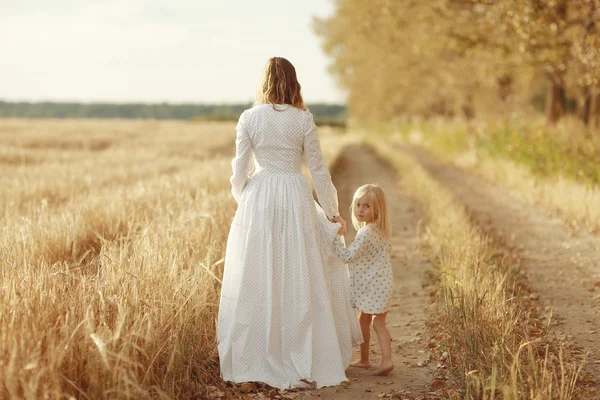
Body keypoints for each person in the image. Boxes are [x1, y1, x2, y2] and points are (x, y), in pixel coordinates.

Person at [217, 57, 361, 390]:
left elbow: (239, 172)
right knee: (298, 272)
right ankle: (302, 351)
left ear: (263, 82)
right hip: (295, 194)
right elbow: (319, 171)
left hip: (260, 195)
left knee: (259, 274)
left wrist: (245, 200)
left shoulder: (249, 118)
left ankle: (259, 353)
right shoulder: (303, 119)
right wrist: (331, 211)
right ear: (294, 82)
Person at [332, 184, 394, 376]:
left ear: (378, 209)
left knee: (377, 323)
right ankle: (365, 359)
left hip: (374, 286)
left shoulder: (366, 233)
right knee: (364, 320)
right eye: (358, 204)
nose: (360, 209)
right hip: (379, 284)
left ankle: (386, 361)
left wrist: (332, 238)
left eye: (367, 206)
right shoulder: (378, 229)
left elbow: (347, 256)